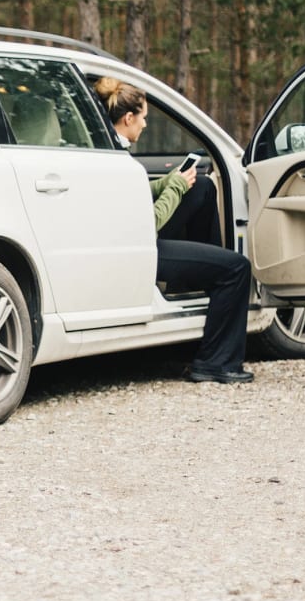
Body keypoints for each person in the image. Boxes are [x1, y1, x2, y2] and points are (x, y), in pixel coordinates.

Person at [94, 77, 254, 384]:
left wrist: (170, 182)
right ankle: (216, 363)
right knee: (236, 269)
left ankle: (198, 290)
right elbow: (147, 226)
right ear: (128, 118)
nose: (145, 126)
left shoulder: (108, 148)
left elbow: (136, 193)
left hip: (128, 242)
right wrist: (175, 188)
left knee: (203, 187)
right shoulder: (117, 159)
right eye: (143, 119)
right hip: (138, 250)